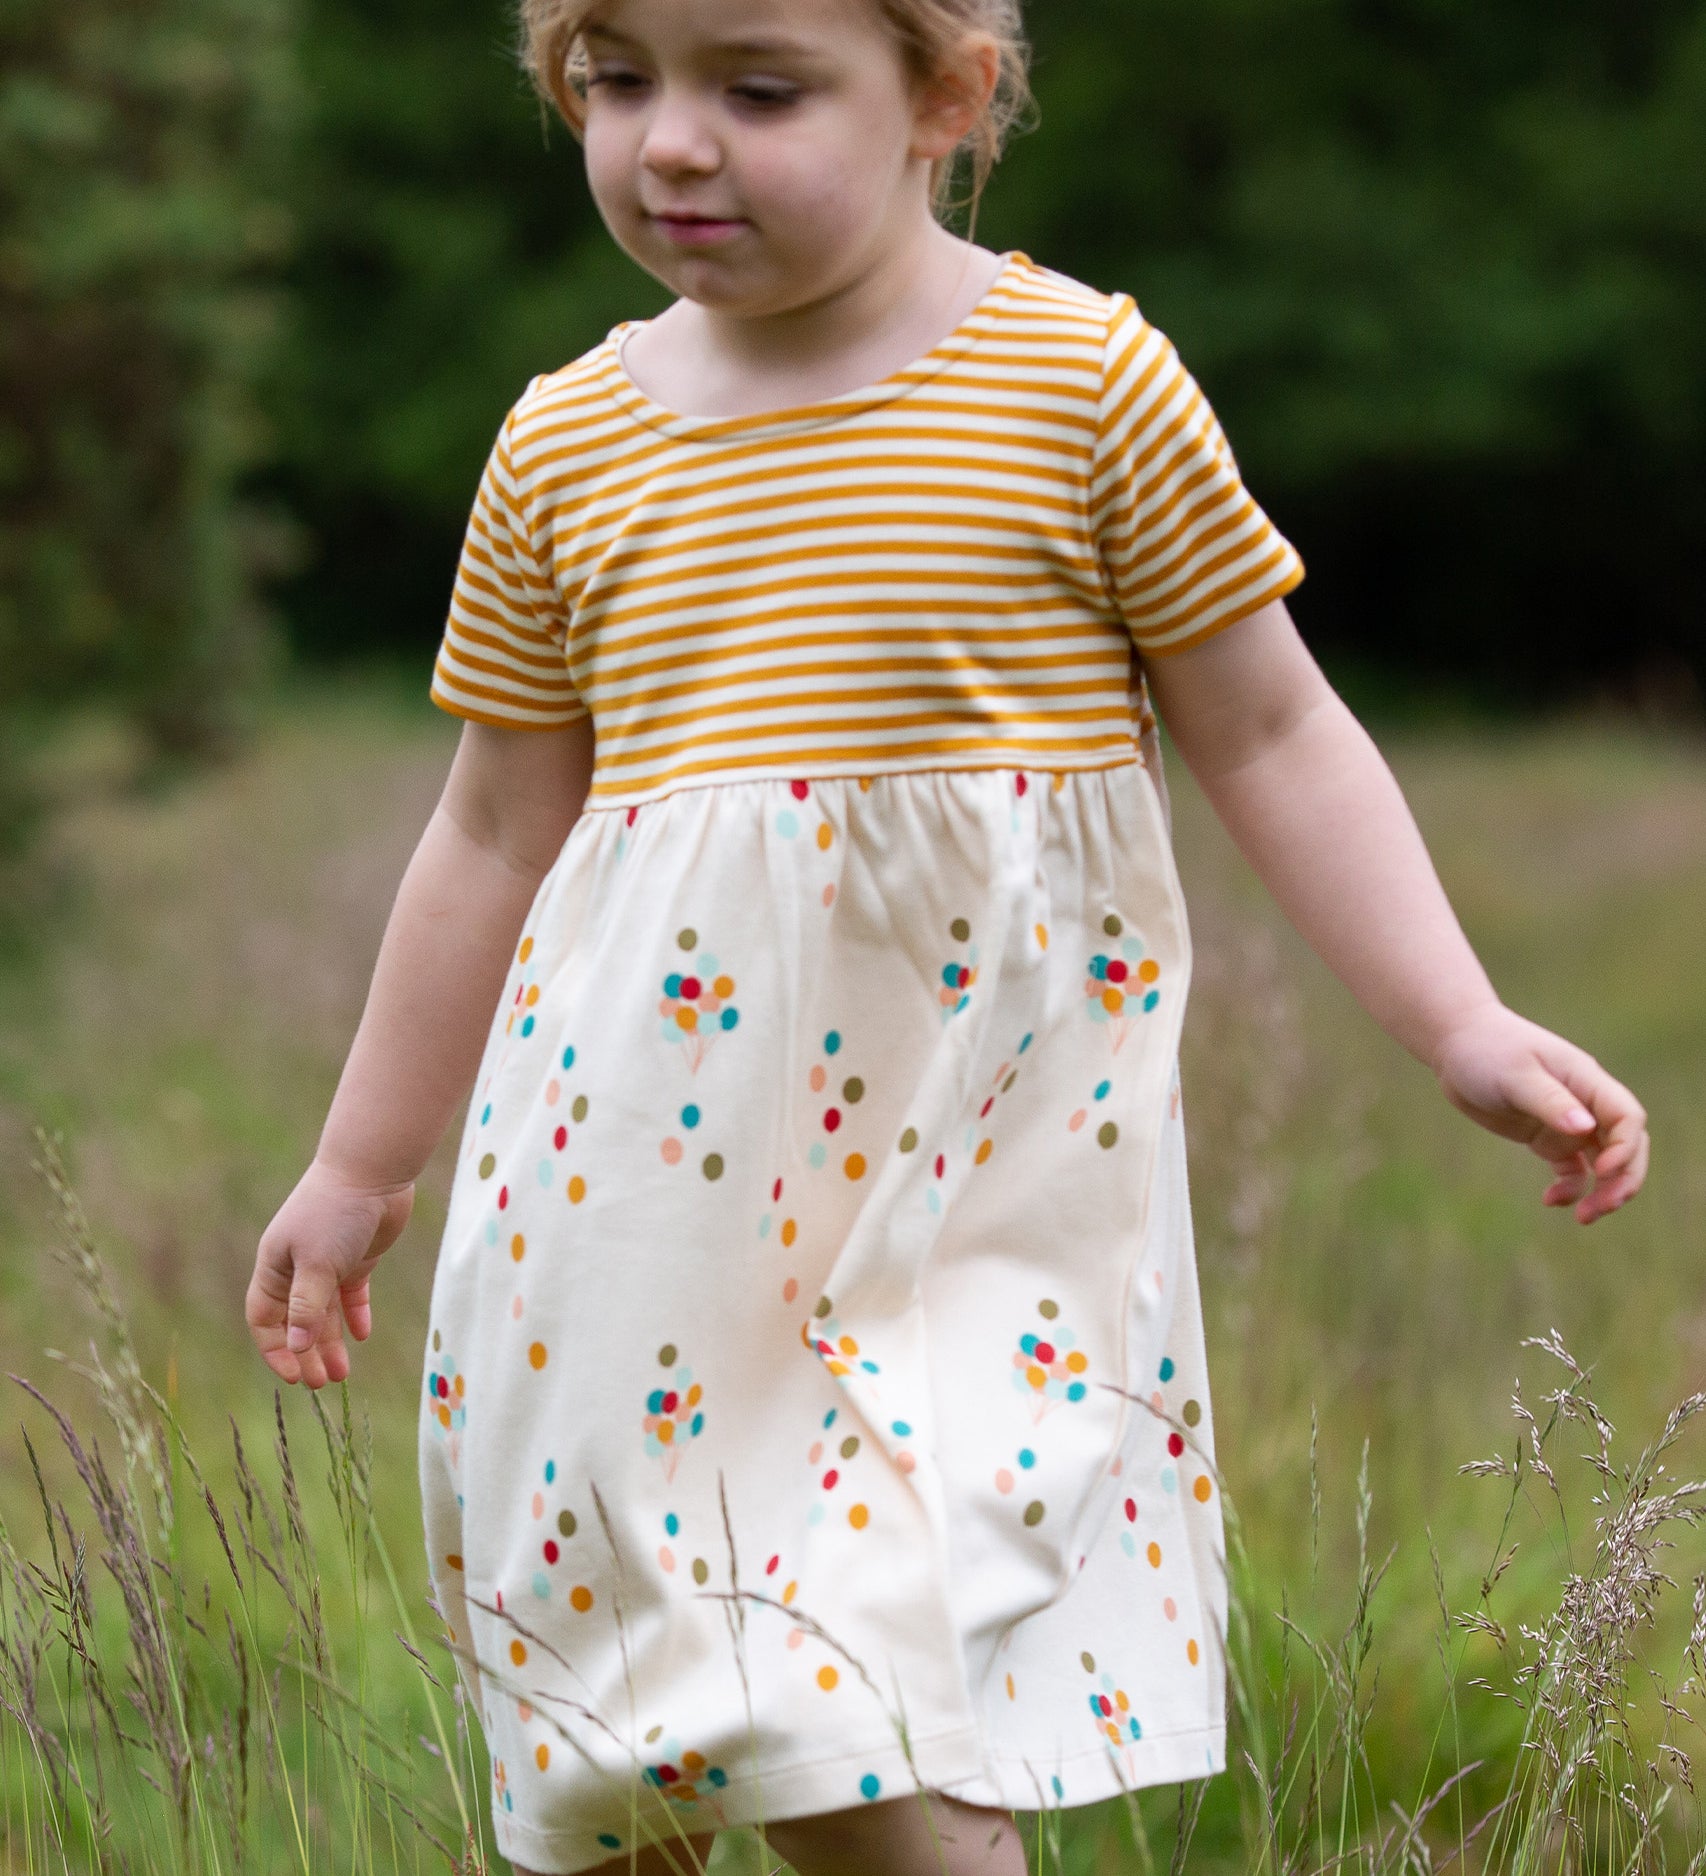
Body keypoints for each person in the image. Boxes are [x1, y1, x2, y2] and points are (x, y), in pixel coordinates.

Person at [245, 0, 1651, 1871]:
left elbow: (1273, 726)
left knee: (862, 1691)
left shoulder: (1077, 384)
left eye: (755, 88)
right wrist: (361, 1161)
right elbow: (493, 829)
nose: (670, 143)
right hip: (637, 1189)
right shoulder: (566, 440)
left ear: (947, 95)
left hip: (970, 1189)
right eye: (616, 82)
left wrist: (1455, 1017)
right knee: (635, 1715)